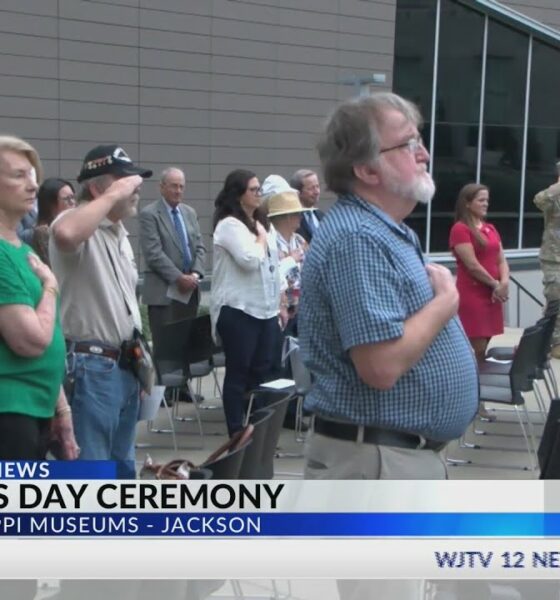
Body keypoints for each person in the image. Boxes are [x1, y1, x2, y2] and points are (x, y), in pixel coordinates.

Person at [299, 92, 478, 480]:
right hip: (376, 463)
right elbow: (380, 366)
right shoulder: (358, 238)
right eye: (408, 143)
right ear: (366, 169)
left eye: (420, 140)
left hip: (390, 456)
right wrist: (445, 303)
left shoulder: (382, 230)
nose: (424, 154)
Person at [50, 144, 152, 478]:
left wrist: (138, 364)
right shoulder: (74, 222)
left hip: (123, 366)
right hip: (92, 368)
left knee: (122, 471)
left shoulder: (117, 232)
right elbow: (64, 233)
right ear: (97, 188)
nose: (135, 189)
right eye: (125, 182)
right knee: (92, 476)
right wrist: (109, 198)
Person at [0, 135, 78, 461]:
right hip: (10, 412)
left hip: (36, 407)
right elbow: (30, 341)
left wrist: (60, 407)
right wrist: (50, 286)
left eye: (33, 176)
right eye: (19, 175)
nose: (33, 186)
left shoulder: (22, 249)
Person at [210, 169, 281, 437]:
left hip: (264, 309)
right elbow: (249, 260)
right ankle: (236, 432)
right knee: (238, 374)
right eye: (253, 189)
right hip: (238, 309)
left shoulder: (260, 222)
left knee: (261, 373)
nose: (258, 193)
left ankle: (257, 428)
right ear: (238, 194)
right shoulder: (229, 225)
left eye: (259, 188)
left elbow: (271, 265)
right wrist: (261, 238)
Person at [139, 167, 206, 359]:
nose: (178, 191)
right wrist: (178, 278)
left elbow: (200, 247)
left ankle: (183, 389)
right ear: (161, 188)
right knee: (166, 352)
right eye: (173, 186)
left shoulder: (190, 213)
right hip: (164, 294)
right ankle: (165, 390)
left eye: (181, 187)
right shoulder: (150, 214)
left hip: (189, 292)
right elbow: (153, 254)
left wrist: (194, 275)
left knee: (185, 349)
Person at [449, 183, 509, 361]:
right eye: (481, 200)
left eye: (487, 200)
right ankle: (475, 382)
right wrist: (495, 284)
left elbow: (501, 260)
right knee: (476, 345)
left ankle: (480, 380)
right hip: (473, 293)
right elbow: (472, 265)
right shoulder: (460, 229)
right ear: (467, 203)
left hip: (493, 293)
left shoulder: (490, 228)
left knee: (486, 341)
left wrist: (504, 282)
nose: (485, 204)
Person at [262, 174, 310, 335]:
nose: (301, 217)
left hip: (301, 311)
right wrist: (291, 259)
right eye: (297, 213)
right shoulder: (269, 241)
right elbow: (270, 274)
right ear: (287, 217)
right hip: (278, 312)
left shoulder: (299, 240)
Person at [534, 162, 560, 358]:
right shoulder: (553, 196)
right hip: (554, 258)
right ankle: (555, 343)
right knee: (556, 299)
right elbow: (539, 200)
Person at [31, 177, 76, 265]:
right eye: (67, 199)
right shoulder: (43, 232)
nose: (72, 202)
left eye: (73, 197)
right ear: (51, 204)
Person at [290, 169, 325, 242]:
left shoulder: (322, 216)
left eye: (317, 186)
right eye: (311, 188)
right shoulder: (291, 219)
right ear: (298, 192)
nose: (317, 192)